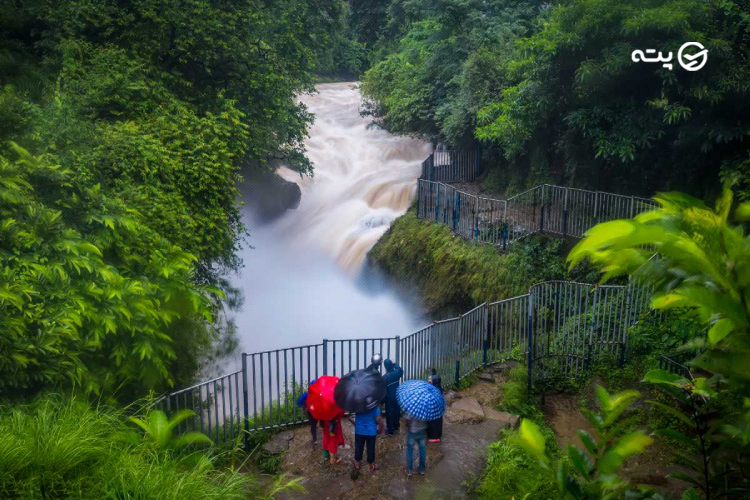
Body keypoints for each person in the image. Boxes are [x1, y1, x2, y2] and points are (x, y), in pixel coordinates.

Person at [354, 404, 383, 472]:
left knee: (358, 447)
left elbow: (350, 415)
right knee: (371, 448)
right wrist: (380, 429)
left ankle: (357, 464)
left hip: (359, 430)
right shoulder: (375, 404)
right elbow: (378, 419)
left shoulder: (357, 403)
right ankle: (370, 466)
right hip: (371, 431)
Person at [382, 359, 403, 436]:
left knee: (390, 413)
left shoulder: (384, 377)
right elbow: (400, 370)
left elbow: (383, 391)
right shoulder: (397, 373)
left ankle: (391, 431)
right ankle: (396, 427)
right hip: (397, 395)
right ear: (391, 365)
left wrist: (382, 401)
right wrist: (395, 364)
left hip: (389, 398)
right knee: (397, 411)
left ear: (385, 367)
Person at [296, 380, 317, 447]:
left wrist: (304, 404)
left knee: (313, 425)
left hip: (310, 412)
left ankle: (315, 439)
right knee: (316, 423)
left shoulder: (306, 394)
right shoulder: (320, 394)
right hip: (317, 412)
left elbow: (299, 402)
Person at [427, 369, 443, 443]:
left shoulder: (434, 390)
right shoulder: (438, 387)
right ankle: (437, 435)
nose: (430, 381)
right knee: (438, 422)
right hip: (438, 411)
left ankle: (434, 437)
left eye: (431, 380)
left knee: (433, 423)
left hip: (434, 410)